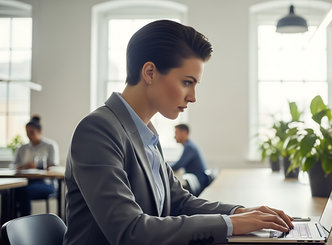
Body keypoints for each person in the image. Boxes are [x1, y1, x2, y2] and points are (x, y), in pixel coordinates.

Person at [63, 20, 293, 245]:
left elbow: (179, 202)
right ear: (150, 72)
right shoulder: (97, 130)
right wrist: (230, 224)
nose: (193, 96)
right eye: (187, 82)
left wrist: (242, 212)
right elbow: (129, 231)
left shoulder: (146, 133)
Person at [13, 115, 59, 216]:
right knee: (9, 192)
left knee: (24, 192)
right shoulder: (22, 148)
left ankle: (24, 222)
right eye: (27, 133)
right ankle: (8, 224)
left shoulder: (50, 146)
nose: (29, 135)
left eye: (31, 132)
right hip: (25, 181)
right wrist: (23, 166)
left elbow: (54, 167)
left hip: (46, 183)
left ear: (40, 131)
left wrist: (36, 166)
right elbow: (14, 166)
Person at [171, 124, 209, 191]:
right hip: (198, 182)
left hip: (198, 184)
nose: (174, 137)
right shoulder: (190, 145)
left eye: (176, 133)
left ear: (184, 133)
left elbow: (178, 165)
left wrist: (163, 167)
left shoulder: (189, 147)